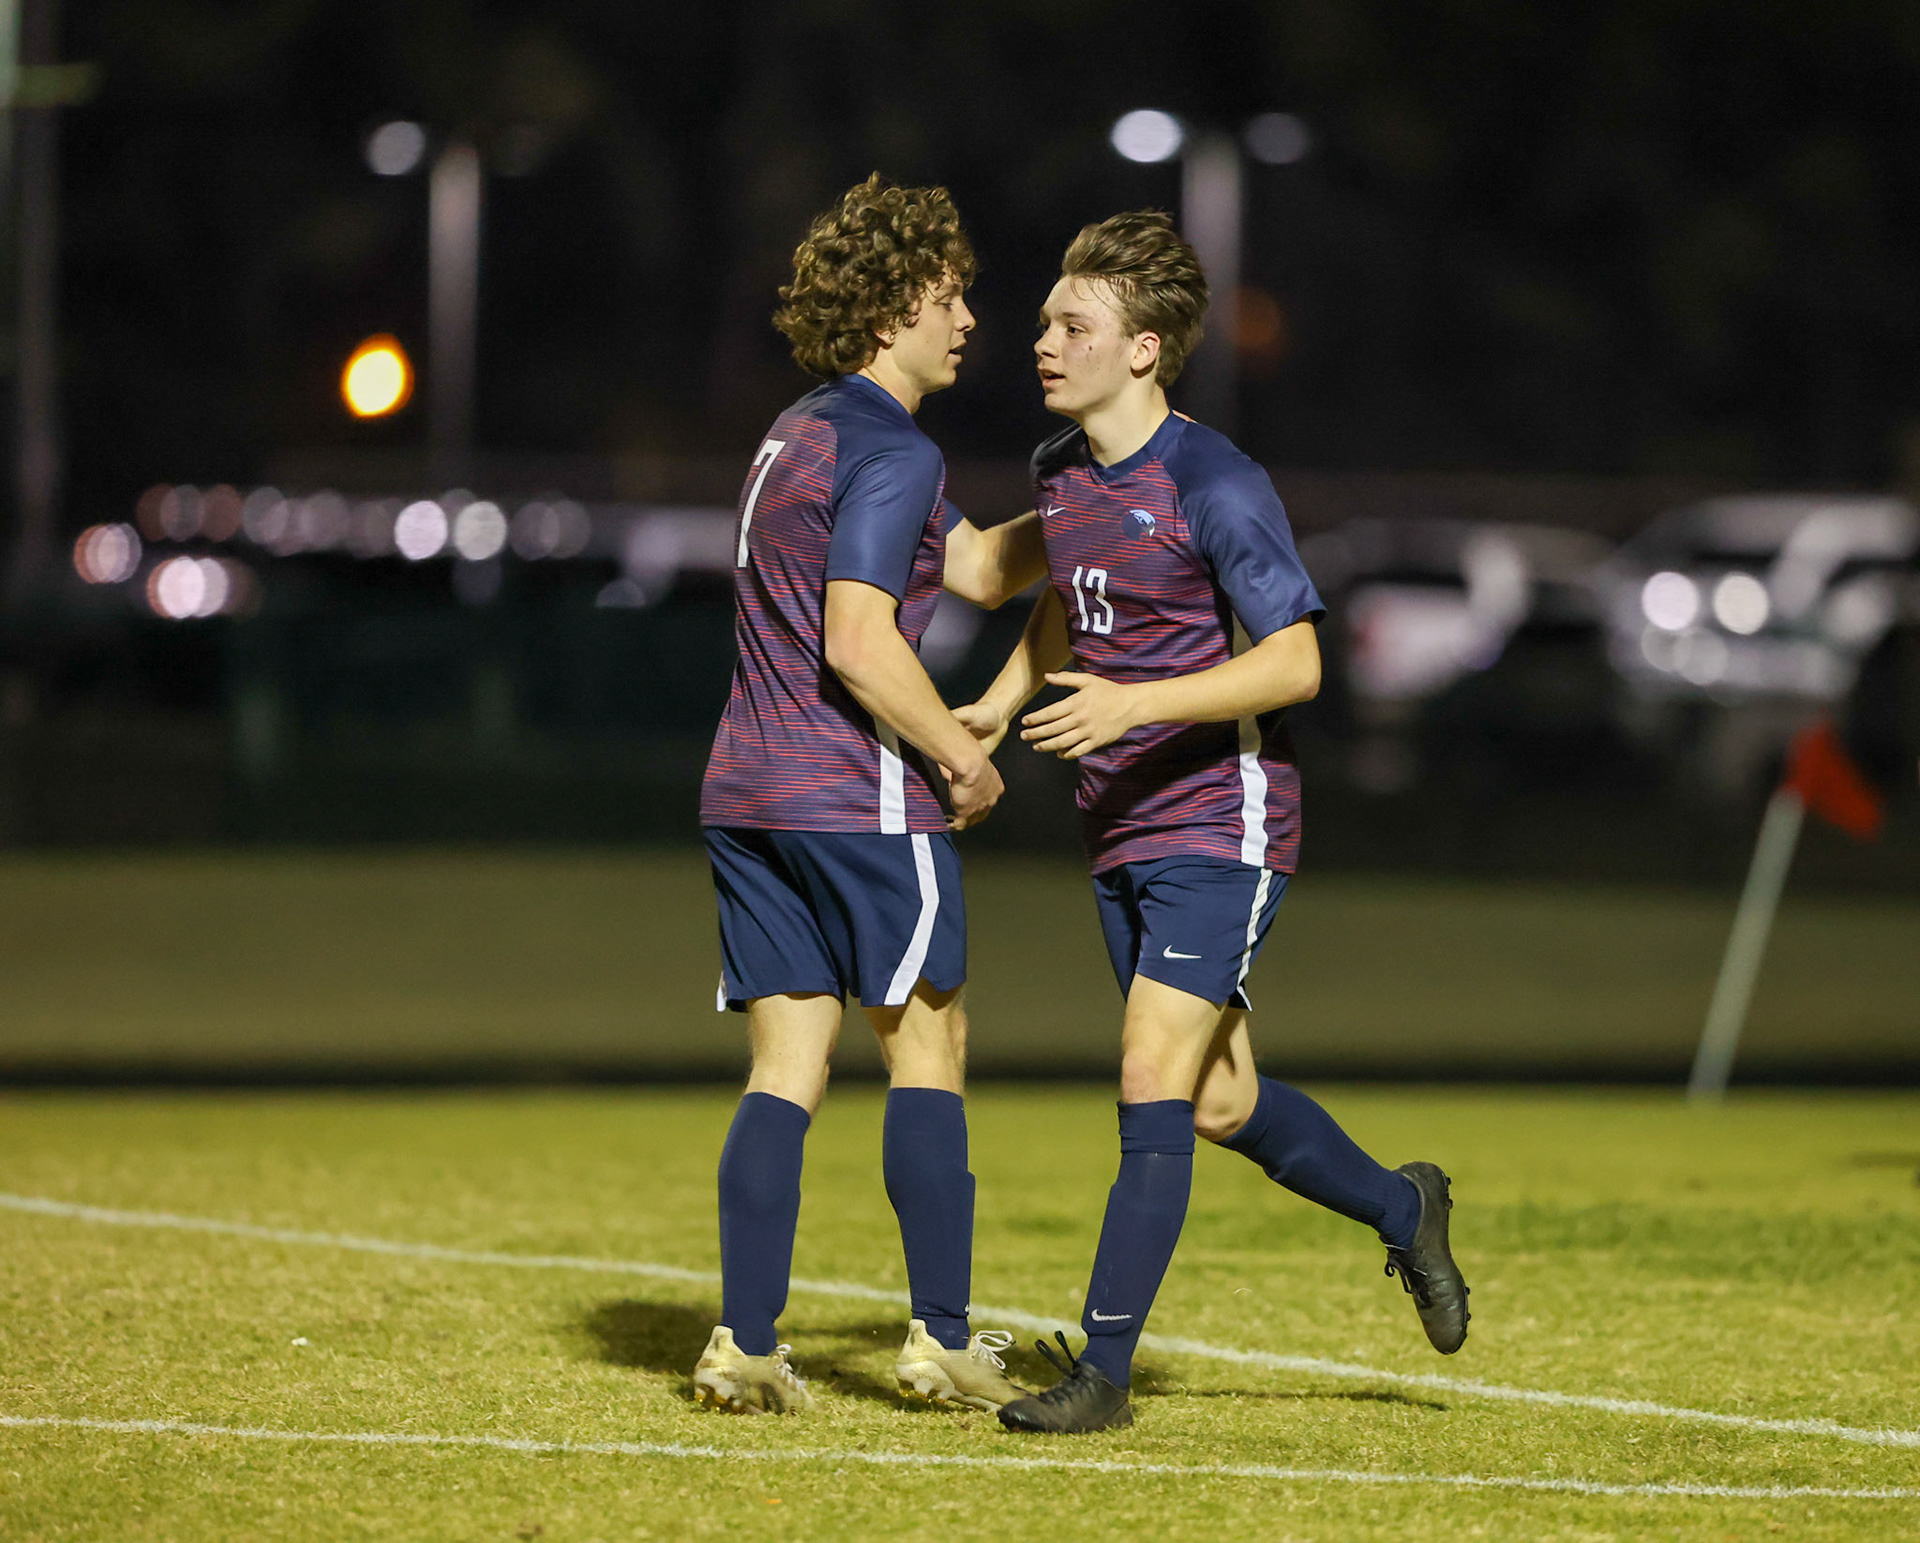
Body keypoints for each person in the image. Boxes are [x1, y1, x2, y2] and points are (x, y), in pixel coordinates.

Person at [958, 211, 1469, 1434]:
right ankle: (1405, 1209)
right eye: (1043, 321)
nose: (1043, 340)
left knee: (1147, 1074)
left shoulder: (1216, 481)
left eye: (1071, 326)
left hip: (1220, 817)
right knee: (1218, 1101)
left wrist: (1136, 703)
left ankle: (1105, 1375)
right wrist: (991, 704)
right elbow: (1068, 603)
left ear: (1142, 350)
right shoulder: (1063, 473)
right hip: (1119, 823)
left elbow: (1294, 664)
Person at [692, 174, 1045, 1416]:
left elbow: (978, 570)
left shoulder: (804, 430)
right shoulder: (894, 445)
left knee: (788, 1062)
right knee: (932, 1044)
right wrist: (960, 750)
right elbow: (858, 636)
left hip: (746, 789)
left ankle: (744, 1344)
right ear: (892, 305)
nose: (967, 322)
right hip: (851, 791)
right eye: (949, 298)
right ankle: (943, 1338)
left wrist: (1096, 495)